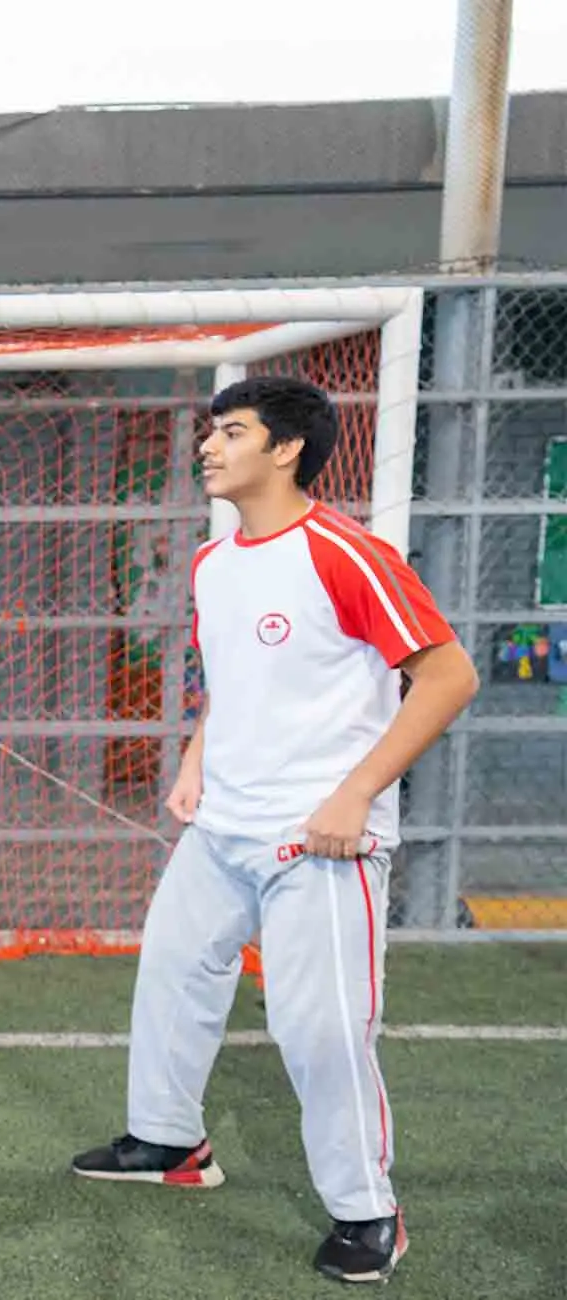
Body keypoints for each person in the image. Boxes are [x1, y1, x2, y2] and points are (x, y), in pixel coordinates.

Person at [69, 377, 479, 1286]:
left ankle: (369, 1213)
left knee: (321, 1030)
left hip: (321, 840)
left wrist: (355, 796)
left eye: (233, 432)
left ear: (287, 448)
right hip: (223, 826)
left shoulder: (347, 552)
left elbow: (451, 676)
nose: (210, 447)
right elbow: (239, 682)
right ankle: (169, 1143)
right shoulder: (217, 563)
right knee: (172, 973)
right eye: (211, 432)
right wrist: (194, 759)